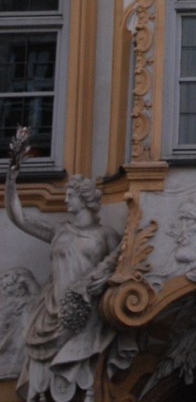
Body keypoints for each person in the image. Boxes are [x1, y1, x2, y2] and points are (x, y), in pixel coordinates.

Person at [5, 135, 122, 402]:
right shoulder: (60, 231)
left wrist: (97, 280)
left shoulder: (106, 235)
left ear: (84, 199)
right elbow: (18, 217)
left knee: (80, 377)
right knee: (43, 383)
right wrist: (11, 179)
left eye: (70, 196)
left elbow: (117, 263)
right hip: (51, 310)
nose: (66, 201)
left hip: (85, 311)